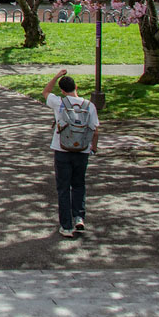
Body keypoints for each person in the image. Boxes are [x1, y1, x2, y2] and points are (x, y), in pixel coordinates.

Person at [43, 69, 100, 237]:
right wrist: (93, 148)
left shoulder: (59, 103)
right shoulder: (89, 106)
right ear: (76, 86)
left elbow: (45, 92)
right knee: (79, 184)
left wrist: (56, 76)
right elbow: (96, 130)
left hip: (62, 149)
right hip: (82, 150)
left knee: (63, 187)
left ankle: (66, 226)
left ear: (61, 90)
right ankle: (79, 218)